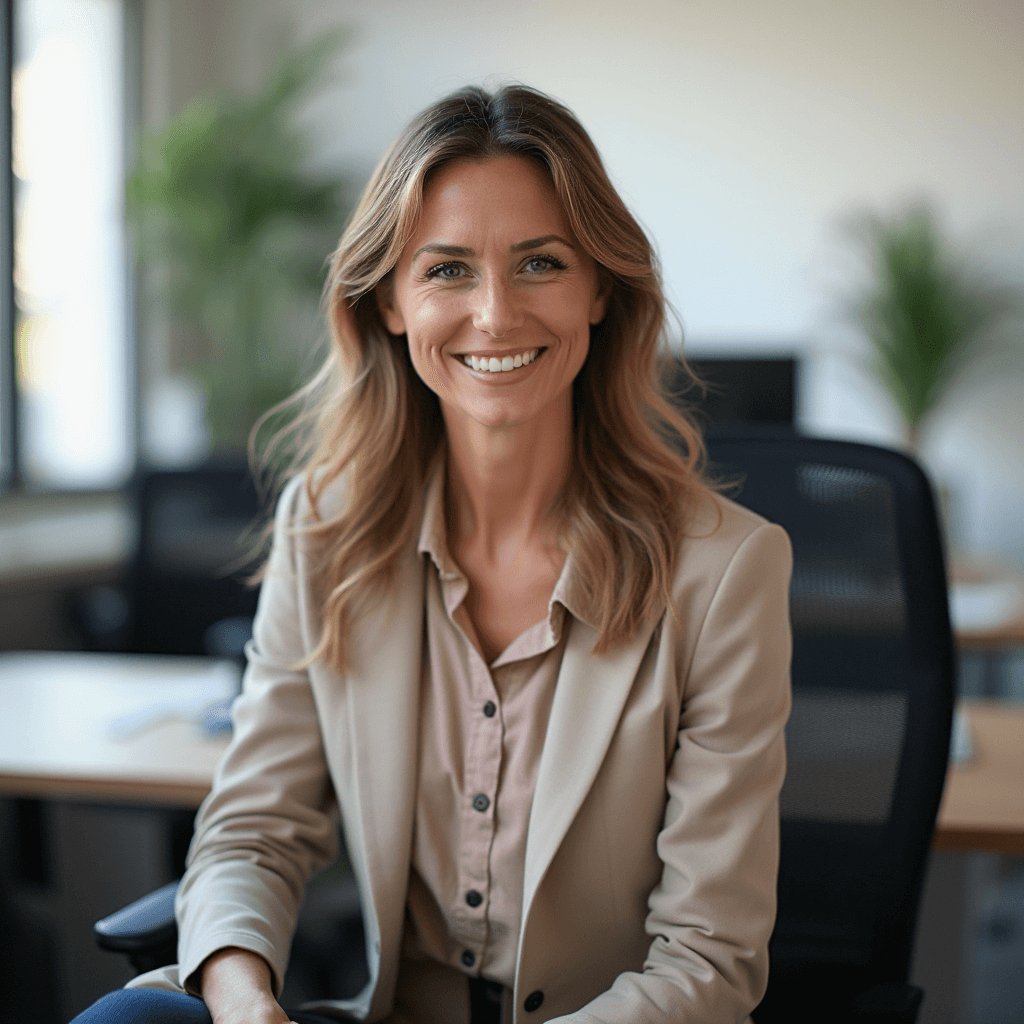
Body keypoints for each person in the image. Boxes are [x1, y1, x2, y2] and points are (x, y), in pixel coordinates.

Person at [74, 84, 791, 1024]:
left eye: (540, 263)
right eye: (447, 269)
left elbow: (707, 959)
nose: (495, 314)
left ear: (601, 290)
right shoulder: (326, 528)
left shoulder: (726, 570)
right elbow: (254, 831)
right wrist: (247, 1003)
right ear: (390, 304)